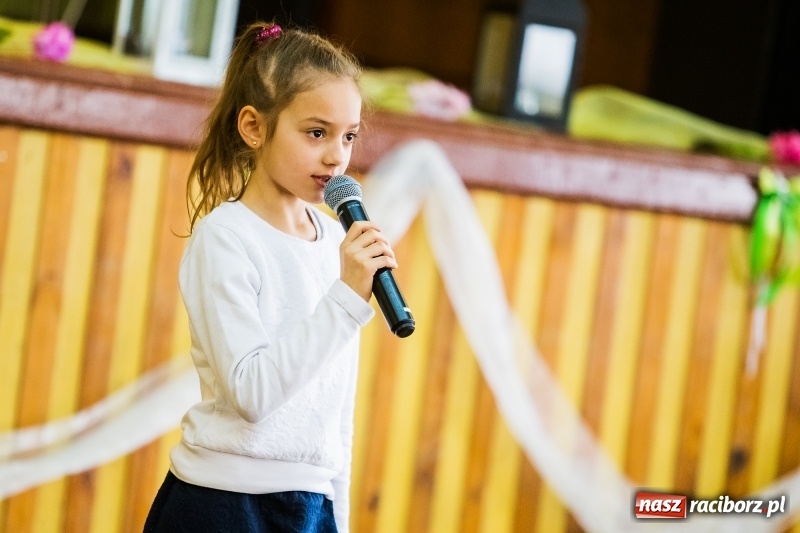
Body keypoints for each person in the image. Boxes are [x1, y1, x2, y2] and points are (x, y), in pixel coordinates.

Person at [144, 21, 397, 533]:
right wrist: (347, 295)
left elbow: (334, 415)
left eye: (348, 136)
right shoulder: (226, 238)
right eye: (316, 132)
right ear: (255, 128)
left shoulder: (334, 245)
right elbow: (252, 394)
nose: (336, 155)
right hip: (222, 504)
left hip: (309, 508)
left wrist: (338, 518)